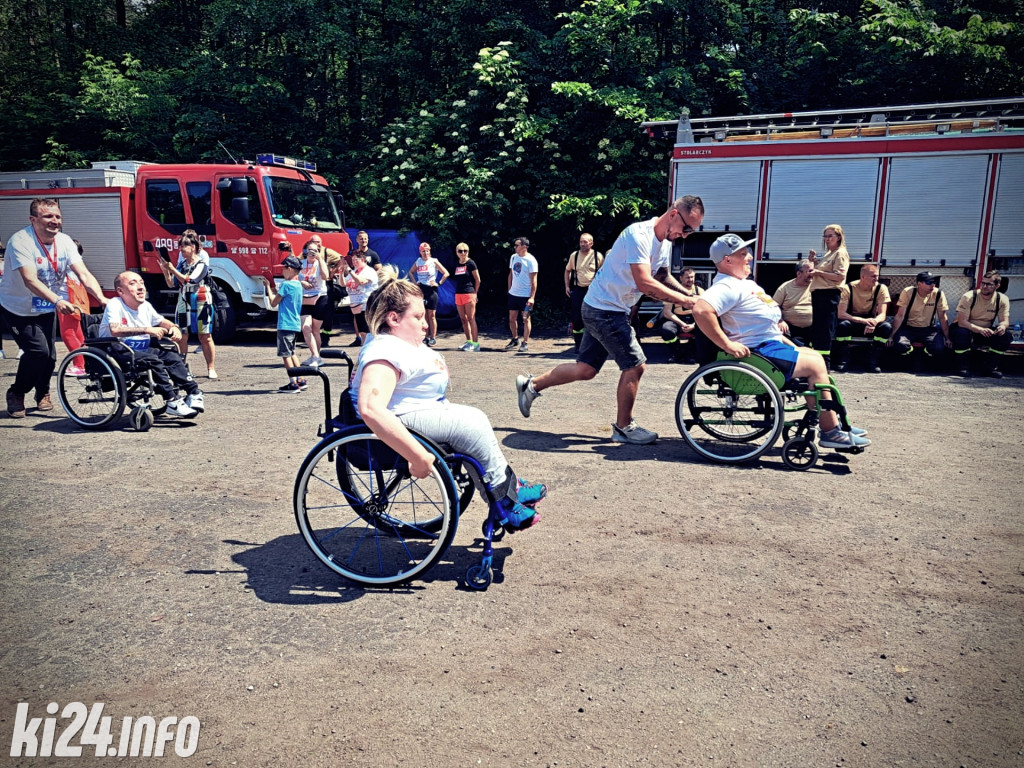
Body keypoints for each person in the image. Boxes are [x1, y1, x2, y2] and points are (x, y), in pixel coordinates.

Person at [351, 273, 546, 530]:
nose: (425, 324)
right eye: (418, 317)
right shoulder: (384, 350)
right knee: (470, 424)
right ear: (394, 318)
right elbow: (371, 408)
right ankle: (506, 503)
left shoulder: (400, 345)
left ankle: (509, 491)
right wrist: (418, 456)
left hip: (417, 412)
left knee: (472, 422)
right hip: (400, 419)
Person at [515, 196, 706, 444]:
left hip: (603, 307)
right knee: (635, 365)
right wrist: (688, 302)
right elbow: (645, 283)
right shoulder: (639, 235)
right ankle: (624, 427)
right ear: (673, 214)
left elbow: (661, 275)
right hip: (605, 309)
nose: (687, 234)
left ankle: (531, 386)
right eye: (687, 228)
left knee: (585, 370)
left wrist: (689, 294)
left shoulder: (665, 242)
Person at [691, 234, 869, 450]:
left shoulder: (745, 284)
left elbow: (766, 325)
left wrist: (791, 345)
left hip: (770, 344)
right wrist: (727, 345)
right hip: (756, 352)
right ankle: (830, 431)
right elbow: (701, 310)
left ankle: (836, 420)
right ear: (727, 260)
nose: (749, 257)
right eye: (743, 254)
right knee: (815, 365)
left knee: (816, 357)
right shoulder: (726, 286)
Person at [1, 198, 106, 419]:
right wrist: (58, 301)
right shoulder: (20, 241)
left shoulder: (65, 241)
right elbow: (30, 280)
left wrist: (102, 298)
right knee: (38, 351)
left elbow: (83, 274)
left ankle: (42, 393)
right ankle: (17, 392)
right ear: (33, 219)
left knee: (49, 356)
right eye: (48, 216)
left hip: (46, 306)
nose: (55, 221)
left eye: (57, 216)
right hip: (18, 307)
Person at [100, 271, 202, 418]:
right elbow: (115, 330)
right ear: (120, 291)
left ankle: (193, 392)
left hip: (141, 349)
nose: (140, 287)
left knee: (172, 356)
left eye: (141, 282)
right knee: (153, 360)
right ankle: (171, 400)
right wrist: (147, 329)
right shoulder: (115, 304)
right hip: (117, 351)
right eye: (133, 283)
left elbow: (161, 321)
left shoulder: (145, 306)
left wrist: (173, 327)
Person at [160, 233, 218, 380]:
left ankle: (211, 367)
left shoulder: (201, 265)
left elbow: (190, 281)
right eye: (180, 246)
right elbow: (171, 283)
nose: (181, 249)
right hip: (183, 301)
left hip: (201, 300)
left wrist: (172, 269)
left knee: (205, 335)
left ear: (194, 248)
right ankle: (182, 366)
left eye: (184, 246)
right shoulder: (182, 264)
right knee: (181, 335)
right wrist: (166, 270)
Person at [259, 249, 308, 393]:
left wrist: (268, 287)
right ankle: (301, 379)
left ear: (291, 269)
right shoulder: (298, 285)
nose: (283, 271)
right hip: (294, 324)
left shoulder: (286, 285)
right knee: (292, 352)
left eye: (285, 268)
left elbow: (274, 302)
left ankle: (293, 382)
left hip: (285, 324)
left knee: (285, 355)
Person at [951, 270, 1011, 378]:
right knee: (961, 334)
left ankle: (990, 368)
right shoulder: (969, 296)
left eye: (989, 284)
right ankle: (962, 367)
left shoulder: (1002, 299)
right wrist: (980, 330)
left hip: (985, 330)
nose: (984, 286)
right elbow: (962, 322)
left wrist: (1002, 327)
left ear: (997, 285)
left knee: (1006, 336)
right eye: (983, 283)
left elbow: (1004, 321)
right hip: (966, 327)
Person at [834, 263, 892, 373]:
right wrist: (862, 321)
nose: (876, 279)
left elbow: (882, 314)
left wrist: (874, 322)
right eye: (873, 276)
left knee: (886, 327)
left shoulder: (881, 288)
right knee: (842, 326)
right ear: (863, 277)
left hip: (870, 321)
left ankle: (872, 362)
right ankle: (843, 360)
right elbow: (841, 314)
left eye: (877, 276)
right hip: (853, 320)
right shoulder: (848, 288)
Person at [807, 224, 849, 370]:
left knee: (824, 330)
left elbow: (839, 276)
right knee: (818, 330)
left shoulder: (840, 253)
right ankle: (816, 364)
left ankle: (824, 366)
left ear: (838, 237)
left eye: (830, 236)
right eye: (825, 236)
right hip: (820, 294)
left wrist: (818, 273)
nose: (827, 239)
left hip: (828, 294)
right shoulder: (829, 253)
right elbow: (824, 270)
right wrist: (814, 261)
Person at [887, 271, 951, 366]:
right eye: (929, 282)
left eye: (934, 282)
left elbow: (942, 318)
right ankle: (910, 357)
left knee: (939, 348)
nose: (932, 285)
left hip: (928, 329)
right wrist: (891, 336)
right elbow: (900, 316)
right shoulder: (908, 292)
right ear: (919, 284)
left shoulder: (938, 294)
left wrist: (947, 338)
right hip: (908, 328)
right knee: (900, 345)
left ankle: (923, 355)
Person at [564, 233, 604, 352]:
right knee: (577, 318)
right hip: (578, 290)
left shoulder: (598, 256)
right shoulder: (574, 256)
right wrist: (567, 286)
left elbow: (604, 273)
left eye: (585, 242)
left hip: (594, 291)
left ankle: (596, 344)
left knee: (595, 316)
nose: (582, 244)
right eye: (581, 241)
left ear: (591, 243)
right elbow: (567, 271)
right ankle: (578, 344)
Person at [57, 239, 92, 377]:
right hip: (77, 302)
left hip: (67, 302)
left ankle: (79, 365)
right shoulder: (78, 264)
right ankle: (87, 362)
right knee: (78, 334)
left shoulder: (67, 263)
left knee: (68, 334)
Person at [658, 266, 704, 362]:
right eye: (687, 277)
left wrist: (693, 325)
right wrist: (681, 324)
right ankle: (677, 352)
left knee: (704, 329)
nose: (690, 280)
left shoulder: (700, 291)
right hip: (677, 319)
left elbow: (705, 312)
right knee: (666, 330)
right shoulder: (672, 292)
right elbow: (667, 312)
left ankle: (691, 353)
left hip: (695, 319)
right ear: (680, 278)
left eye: (692, 277)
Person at [407, 242, 448, 347]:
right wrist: (415, 283)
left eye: (427, 251)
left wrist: (438, 283)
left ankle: (433, 338)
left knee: (432, 315)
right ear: (420, 252)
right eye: (423, 251)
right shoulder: (418, 261)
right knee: (423, 315)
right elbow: (410, 272)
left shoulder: (434, 261)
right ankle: (425, 337)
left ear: (430, 251)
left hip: (432, 290)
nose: (425, 253)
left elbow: (446, 273)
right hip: (422, 290)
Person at [344, 231, 381, 346]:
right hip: (356, 299)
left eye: (365, 239)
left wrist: (369, 278)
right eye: (361, 239)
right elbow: (348, 274)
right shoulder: (352, 253)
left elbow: (379, 269)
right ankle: (358, 337)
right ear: (357, 240)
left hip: (367, 295)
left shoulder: (373, 254)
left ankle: (372, 346)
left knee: (368, 326)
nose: (363, 241)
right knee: (358, 319)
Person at [298, 238, 330, 367]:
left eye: (315, 250)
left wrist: (320, 259)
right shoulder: (301, 263)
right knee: (306, 328)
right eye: (309, 249)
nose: (312, 252)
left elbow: (325, 276)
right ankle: (315, 356)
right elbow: (292, 276)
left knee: (316, 330)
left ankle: (316, 357)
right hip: (305, 298)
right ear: (305, 251)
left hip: (320, 297)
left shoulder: (320, 263)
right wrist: (302, 282)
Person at [506, 236, 538, 352]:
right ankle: (515, 339)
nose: (514, 247)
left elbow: (534, 280)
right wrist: (509, 289)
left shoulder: (531, 260)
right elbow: (511, 274)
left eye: (517, 245)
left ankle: (525, 343)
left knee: (525, 319)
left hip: (525, 295)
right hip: (513, 294)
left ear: (524, 247)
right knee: (512, 319)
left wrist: (532, 297)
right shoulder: (513, 257)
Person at [772, 260, 814, 347]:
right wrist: (780, 321)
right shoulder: (785, 287)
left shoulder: (817, 286)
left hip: (813, 328)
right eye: (809, 271)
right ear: (799, 273)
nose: (813, 274)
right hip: (790, 328)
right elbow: (773, 306)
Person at [452, 242, 481, 351]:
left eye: (465, 251)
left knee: (471, 318)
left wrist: (475, 293)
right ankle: (469, 342)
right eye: (460, 251)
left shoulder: (471, 263)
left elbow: (478, 280)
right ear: (457, 252)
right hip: (458, 294)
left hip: (469, 293)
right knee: (463, 319)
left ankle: (476, 344)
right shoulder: (456, 264)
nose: (463, 253)